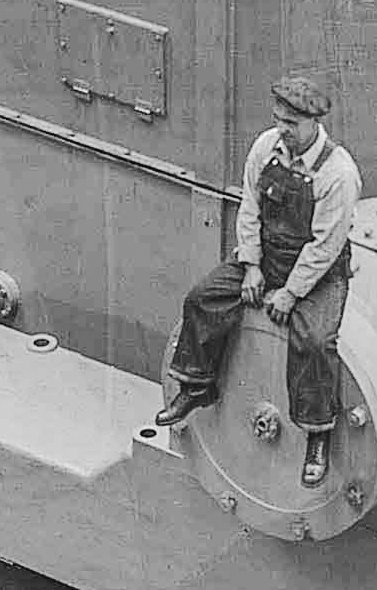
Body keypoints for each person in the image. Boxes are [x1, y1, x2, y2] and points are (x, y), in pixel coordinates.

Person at [153, 72, 360, 472]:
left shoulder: (338, 173)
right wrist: (250, 266)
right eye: (278, 120)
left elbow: (325, 246)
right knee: (203, 299)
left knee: (315, 342)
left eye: (291, 124)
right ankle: (196, 387)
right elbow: (250, 208)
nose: (282, 131)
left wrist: (291, 293)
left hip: (318, 275)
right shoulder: (266, 147)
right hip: (266, 259)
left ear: (314, 123)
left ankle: (317, 433)